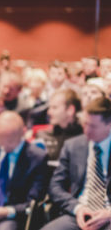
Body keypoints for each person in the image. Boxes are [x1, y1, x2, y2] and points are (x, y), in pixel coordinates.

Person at [42, 97, 111, 230]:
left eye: (93, 126)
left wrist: (109, 214)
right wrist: (77, 208)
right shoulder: (73, 146)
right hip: (79, 214)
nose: (86, 130)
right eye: (85, 124)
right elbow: (55, 186)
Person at [35, 89, 82, 160]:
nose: (49, 112)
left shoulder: (85, 137)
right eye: (49, 107)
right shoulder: (43, 136)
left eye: (54, 107)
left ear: (70, 110)